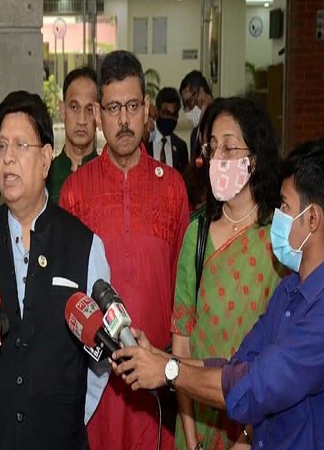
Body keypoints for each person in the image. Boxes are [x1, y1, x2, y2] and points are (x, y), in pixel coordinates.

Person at [113, 137, 324, 450]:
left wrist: (168, 372)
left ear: (313, 219)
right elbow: (236, 366)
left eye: (285, 206)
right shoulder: (289, 289)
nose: (278, 215)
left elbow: (257, 385)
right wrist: (158, 357)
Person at [0, 90, 110, 450]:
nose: (7, 157)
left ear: (45, 158)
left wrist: (66, 418)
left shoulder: (86, 246)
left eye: (20, 146)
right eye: (1, 146)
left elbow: (100, 360)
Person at [59, 50, 190, 450]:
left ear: (146, 108)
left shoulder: (173, 187)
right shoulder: (75, 191)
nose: (124, 120)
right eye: (113, 108)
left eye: (132, 106)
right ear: (100, 114)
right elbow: (67, 297)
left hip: (158, 379)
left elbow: (184, 291)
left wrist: (176, 366)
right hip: (99, 382)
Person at [171, 97, 286, 450]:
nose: (218, 157)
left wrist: (247, 437)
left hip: (258, 420)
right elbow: (182, 344)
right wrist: (191, 439)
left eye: (229, 147)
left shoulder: (279, 237)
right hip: (196, 414)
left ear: (254, 159)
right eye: (212, 147)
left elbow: (281, 349)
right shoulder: (197, 233)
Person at [46, 66, 98, 204]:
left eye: (89, 110)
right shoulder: (44, 177)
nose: (81, 120)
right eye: (74, 107)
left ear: (98, 114)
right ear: (62, 110)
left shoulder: (109, 176)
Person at [146, 87, 189, 175]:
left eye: (174, 115)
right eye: (166, 113)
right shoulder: (145, 142)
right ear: (157, 111)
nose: (170, 118)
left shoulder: (181, 147)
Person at [179, 71, 214, 158]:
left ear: (201, 93)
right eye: (185, 106)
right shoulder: (195, 134)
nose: (187, 110)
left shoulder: (218, 123)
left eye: (189, 102)